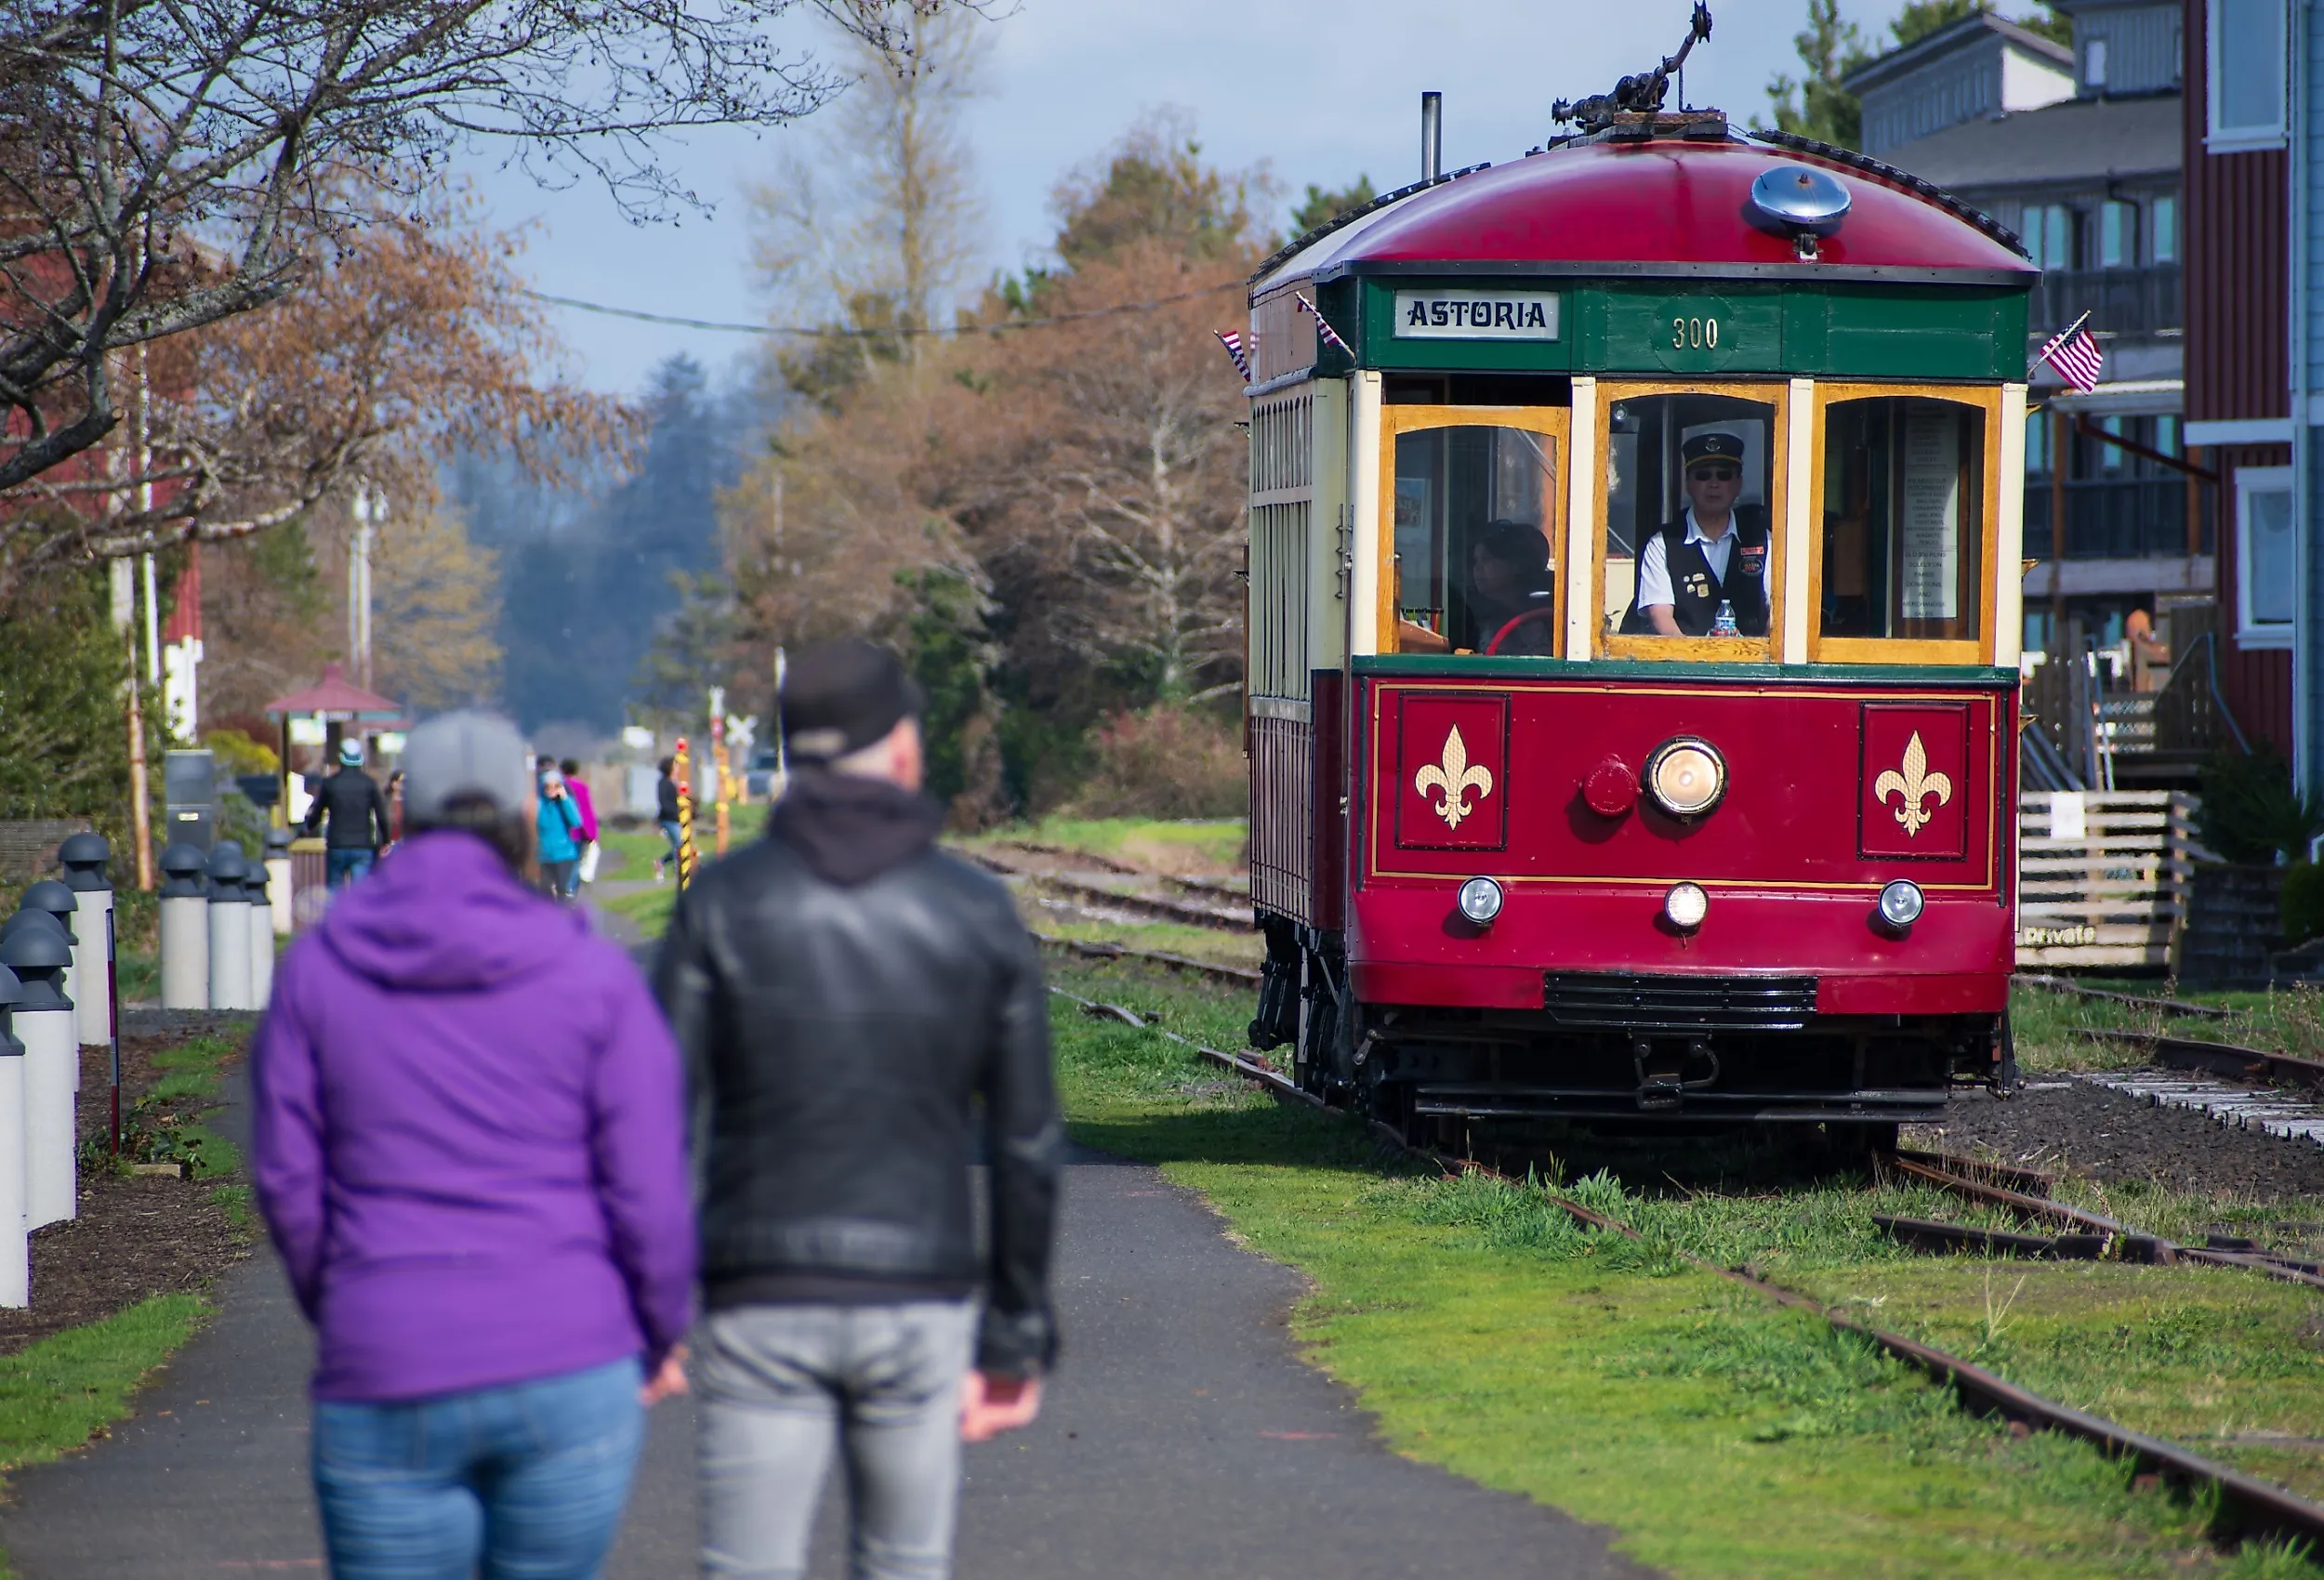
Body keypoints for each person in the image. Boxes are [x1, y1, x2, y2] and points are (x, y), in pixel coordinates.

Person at [249, 708, 694, 1580]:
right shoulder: (592, 972)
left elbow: (289, 1183)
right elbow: (648, 1182)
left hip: (386, 1357)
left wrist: (349, 1305)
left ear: (402, 816)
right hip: (568, 1356)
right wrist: (660, 1325)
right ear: (527, 819)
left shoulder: (319, 968)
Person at [654, 640, 1061, 1580]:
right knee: (904, 1563)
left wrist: (651, 1304)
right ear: (904, 750)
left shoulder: (720, 902)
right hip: (918, 1298)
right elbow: (1026, 1141)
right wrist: (1013, 1330)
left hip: (756, 1294)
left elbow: (657, 1116)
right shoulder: (973, 910)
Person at [1626, 430, 1771, 638]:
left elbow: (1778, 611)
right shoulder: (1663, 544)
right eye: (1703, 475)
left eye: (1724, 475)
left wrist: (1761, 661)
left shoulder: (1762, 539)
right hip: (1685, 665)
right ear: (1688, 484)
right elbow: (1660, 615)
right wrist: (1692, 659)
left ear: (1738, 483)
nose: (1714, 484)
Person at [302, 739, 391, 889]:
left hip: (337, 843)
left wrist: (308, 827)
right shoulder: (369, 784)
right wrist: (386, 840)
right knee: (361, 892)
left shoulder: (330, 784)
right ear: (360, 758)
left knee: (334, 892)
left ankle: (336, 912)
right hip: (362, 845)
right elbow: (381, 814)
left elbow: (318, 812)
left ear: (341, 757)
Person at [536, 766, 585, 902]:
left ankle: (563, 916)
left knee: (562, 890)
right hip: (543, 855)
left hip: (565, 854)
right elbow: (536, 823)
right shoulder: (540, 804)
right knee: (544, 891)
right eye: (548, 786)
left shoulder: (566, 802)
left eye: (555, 786)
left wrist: (564, 799)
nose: (551, 790)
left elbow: (576, 822)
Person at [559, 758, 601, 897]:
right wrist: (592, 833)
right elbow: (586, 810)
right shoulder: (581, 787)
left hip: (561, 831)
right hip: (578, 832)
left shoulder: (557, 786)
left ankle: (561, 888)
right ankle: (570, 891)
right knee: (576, 862)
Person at [653, 757, 682, 884]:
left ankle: (661, 862)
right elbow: (664, 802)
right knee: (679, 844)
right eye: (675, 766)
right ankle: (678, 870)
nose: (678, 768)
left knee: (679, 845)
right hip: (668, 819)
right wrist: (675, 812)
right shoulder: (663, 783)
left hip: (677, 819)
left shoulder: (675, 782)